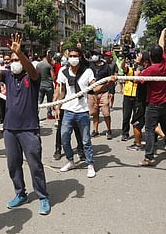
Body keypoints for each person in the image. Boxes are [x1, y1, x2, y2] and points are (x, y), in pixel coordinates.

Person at [0, 34, 51, 215]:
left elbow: (30, 68)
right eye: (12, 59)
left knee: (35, 164)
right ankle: (20, 193)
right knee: (13, 164)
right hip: (10, 129)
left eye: (17, 59)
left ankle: (43, 196)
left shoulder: (32, 76)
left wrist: (20, 53)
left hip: (29, 128)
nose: (14, 62)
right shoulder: (7, 76)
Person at [55, 46, 116, 178]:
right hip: (68, 110)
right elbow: (62, 91)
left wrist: (108, 83)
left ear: (80, 58)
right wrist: (58, 106)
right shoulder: (62, 72)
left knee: (86, 140)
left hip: (82, 111)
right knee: (64, 137)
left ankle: (90, 164)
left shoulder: (87, 72)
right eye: (70, 56)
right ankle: (70, 161)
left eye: (75, 56)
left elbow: (94, 88)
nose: (72, 59)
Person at [137, 27, 166, 166]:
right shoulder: (164, 63)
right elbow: (162, 45)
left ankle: (149, 157)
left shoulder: (150, 70)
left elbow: (137, 79)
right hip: (164, 103)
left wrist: (137, 67)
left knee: (149, 129)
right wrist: (163, 32)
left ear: (150, 56)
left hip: (153, 105)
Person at [88, 51, 113, 139]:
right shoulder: (89, 66)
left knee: (106, 113)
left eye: (96, 54)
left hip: (104, 92)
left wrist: (111, 92)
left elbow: (111, 80)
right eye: (93, 54)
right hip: (92, 93)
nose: (94, 56)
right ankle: (95, 130)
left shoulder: (106, 67)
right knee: (94, 113)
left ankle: (109, 129)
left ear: (100, 56)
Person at [36, 50, 55, 120]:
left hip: (40, 85)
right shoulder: (48, 65)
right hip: (49, 85)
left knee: (39, 100)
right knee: (49, 101)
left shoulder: (38, 65)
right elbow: (53, 77)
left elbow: (36, 75)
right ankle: (49, 114)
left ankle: (36, 113)